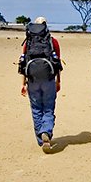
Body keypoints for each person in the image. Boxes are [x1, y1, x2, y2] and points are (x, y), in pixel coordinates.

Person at [19, 16, 62, 153]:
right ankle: (46, 132)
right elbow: (57, 63)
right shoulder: (52, 41)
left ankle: (40, 138)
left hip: (32, 79)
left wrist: (23, 84)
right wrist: (58, 81)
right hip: (48, 79)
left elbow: (23, 62)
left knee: (36, 109)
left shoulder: (28, 42)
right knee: (48, 108)